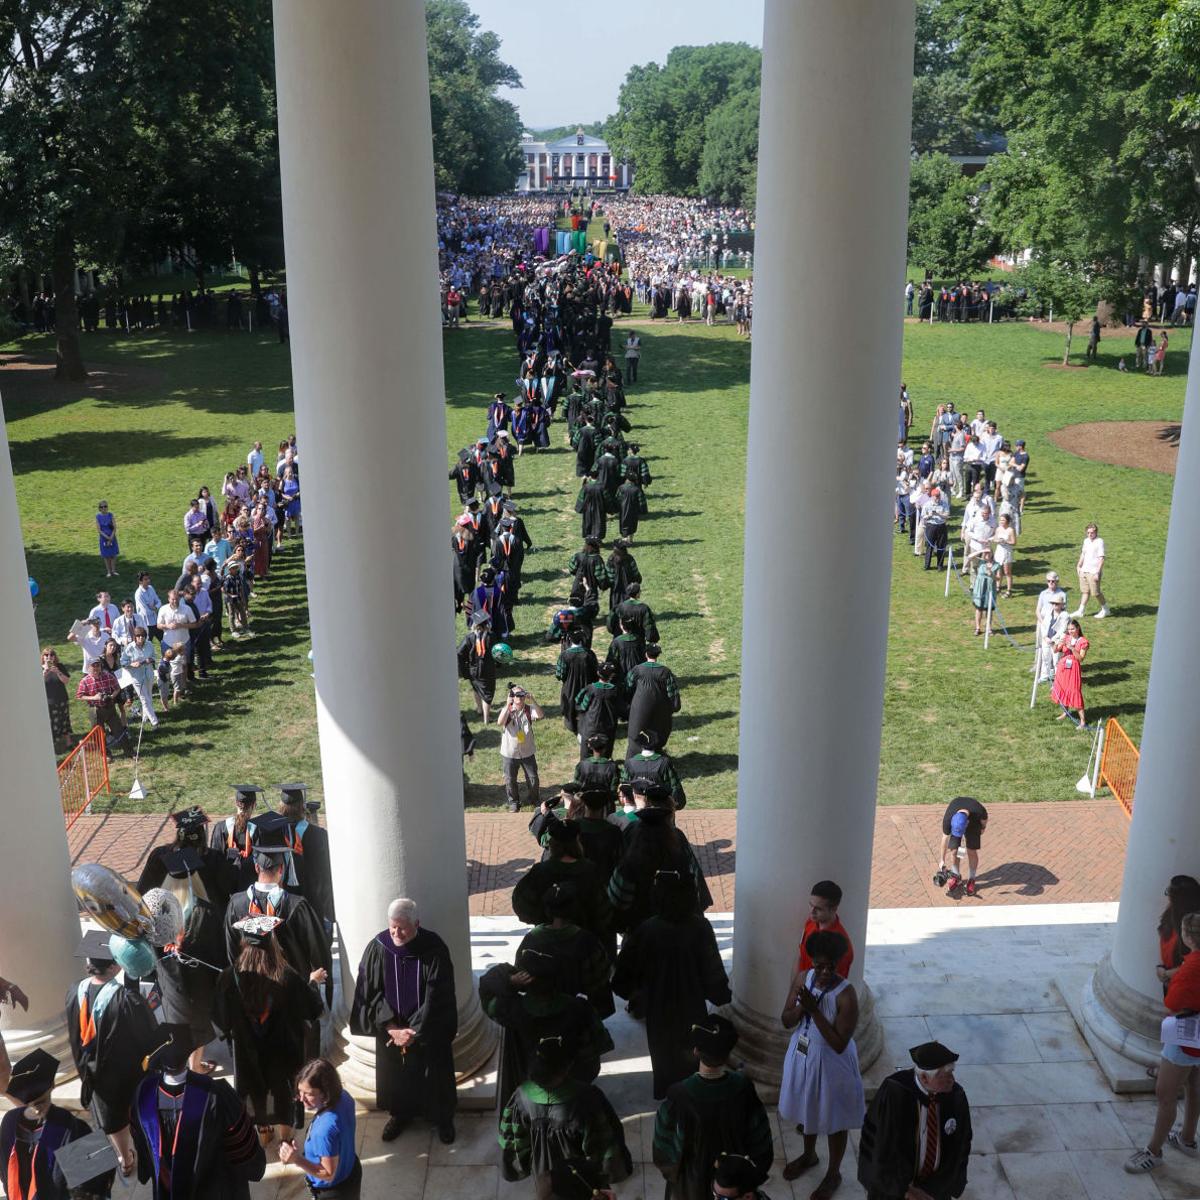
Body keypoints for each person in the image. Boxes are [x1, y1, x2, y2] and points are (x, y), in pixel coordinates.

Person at [612, 870, 731, 1098]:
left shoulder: (647, 930)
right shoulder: (700, 928)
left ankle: (668, 1097)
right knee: (691, 1053)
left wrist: (636, 994)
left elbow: (623, 977)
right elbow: (713, 972)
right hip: (692, 1008)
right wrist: (720, 995)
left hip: (658, 1011)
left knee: (663, 1054)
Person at [348, 898, 458, 1145]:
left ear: (416, 924)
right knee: (396, 1077)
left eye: (402, 928)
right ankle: (400, 1115)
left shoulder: (433, 949)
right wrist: (391, 1027)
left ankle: (442, 1119)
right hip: (391, 1033)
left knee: (435, 1075)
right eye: (392, 927)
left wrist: (414, 1030)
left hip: (427, 1032)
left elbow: (438, 994)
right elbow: (369, 991)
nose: (396, 933)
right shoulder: (379, 948)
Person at [213, 915, 323, 1146]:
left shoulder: (227, 978)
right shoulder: (287, 976)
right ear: (272, 942)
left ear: (243, 943)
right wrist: (312, 983)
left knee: (256, 1090)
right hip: (283, 1053)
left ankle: (263, 1132)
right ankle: (286, 1140)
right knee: (283, 1094)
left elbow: (220, 1021)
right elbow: (311, 1010)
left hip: (247, 1053)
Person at [129, 1022, 266, 1199]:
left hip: (167, 1187)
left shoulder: (143, 1094)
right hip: (214, 1190)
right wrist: (253, 1167)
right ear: (188, 1054)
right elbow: (242, 1150)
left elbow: (141, 1140)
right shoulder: (217, 1094)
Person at [66, 930, 160, 1177]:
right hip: (122, 1075)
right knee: (126, 1115)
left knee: (110, 1118)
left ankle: (123, 1157)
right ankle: (132, 1156)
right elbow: (149, 1040)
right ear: (116, 966)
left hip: (90, 1071)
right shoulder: (125, 1000)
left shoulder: (75, 991)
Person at [779, 930, 864, 1196]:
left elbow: (839, 1044)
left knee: (833, 1118)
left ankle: (833, 1173)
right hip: (802, 1055)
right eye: (819, 965)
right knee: (808, 1109)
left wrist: (814, 1010)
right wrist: (802, 1008)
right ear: (811, 961)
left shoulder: (846, 995)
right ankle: (809, 1155)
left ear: (839, 962)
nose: (825, 971)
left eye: (831, 966)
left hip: (830, 1063)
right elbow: (786, 1020)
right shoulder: (803, 979)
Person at [651, 1015, 773, 1200]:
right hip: (734, 1181)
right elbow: (760, 1142)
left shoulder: (679, 1095)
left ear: (696, 1052)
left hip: (691, 1183)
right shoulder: (744, 1088)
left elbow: (664, 1149)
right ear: (728, 1054)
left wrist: (674, 1172)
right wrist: (750, 1177)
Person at [498, 1035, 631, 1196]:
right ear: (567, 1067)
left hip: (543, 1175)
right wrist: (607, 1171)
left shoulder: (521, 1097)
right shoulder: (587, 1098)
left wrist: (519, 1166)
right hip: (580, 1175)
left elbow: (515, 1142)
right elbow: (602, 1146)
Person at [1125, 911, 1200, 1173]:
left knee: (1165, 1094)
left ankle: (1153, 1151)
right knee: (1194, 1083)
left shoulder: (1192, 967)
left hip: (1186, 1033)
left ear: (1188, 937)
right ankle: (1187, 1139)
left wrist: (1172, 976)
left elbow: (1172, 1002)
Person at [858, 1040, 972, 1200]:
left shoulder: (955, 1096)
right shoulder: (894, 1093)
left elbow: (961, 1144)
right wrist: (906, 1190)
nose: (951, 1080)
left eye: (951, 1073)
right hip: (895, 1190)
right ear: (925, 1078)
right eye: (945, 1075)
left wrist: (937, 1188)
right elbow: (880, 1147)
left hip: (935, 1190)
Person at [1, 1048, 113, 1200]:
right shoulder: (74, 1128)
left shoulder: (8, 1123)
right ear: (52, 1084)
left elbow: (4, 1174)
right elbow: (95, 1189)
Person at [280, 1058, 361, 1197]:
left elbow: (328, 1174)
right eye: (300, 1091)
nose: (301, 1098)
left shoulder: (323, 1131)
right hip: (351, 1173)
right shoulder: (344, 1097)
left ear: (326, 1093)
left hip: (333, 1192)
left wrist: (296, 1159)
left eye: (309, 1094)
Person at [276, 784, 336, 927]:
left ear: (281, 805)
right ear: (302, 805)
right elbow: (325, 874)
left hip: (281, 904)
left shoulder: (272, 832)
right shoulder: (318, 835)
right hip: (311, 903)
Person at [625, 643, 681, 753]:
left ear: (646, 654)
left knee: (636, 733)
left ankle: (635, 761)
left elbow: (628, 685)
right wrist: (675, 706)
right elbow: (672, 692)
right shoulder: (665, 672)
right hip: (660, 708)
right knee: (658, 732)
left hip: (639, 708)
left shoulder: (637, 669)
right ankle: (656, 757)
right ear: (658, 655)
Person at [498, 684, 543, 813]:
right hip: (510, 753)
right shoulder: (507, 710)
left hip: (527, 751)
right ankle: (514, 802)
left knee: (533, 778)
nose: (520, 698)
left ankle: (534, 799)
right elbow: (500, 722)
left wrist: (533, 700)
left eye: (522, 695)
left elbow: (540, 715)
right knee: (510, 779)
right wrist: (508, 705)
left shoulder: (529, 709)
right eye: (517, 695)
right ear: (512, 697)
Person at [795, 880, 854, 979]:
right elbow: (800, 956)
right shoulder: (811, 922)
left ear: (834, 909)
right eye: (811, 905)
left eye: (818, 908)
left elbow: (831, 986)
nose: (812, 911)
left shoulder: (841, 946)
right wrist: (795, 988)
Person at [211, 784, 264, 891]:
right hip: (251, 888)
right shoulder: (260, 830)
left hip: (225, 887)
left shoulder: (221, 828)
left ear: (236, 803)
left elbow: (215, 859)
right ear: (254, 805)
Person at [75, 657, 130, 756]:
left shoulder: (107, 675)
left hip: (109, 707)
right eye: (93, 666)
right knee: (99, 734)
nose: (96, 668)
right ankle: (106, 755)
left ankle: (129, 752)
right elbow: (79, 696)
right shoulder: (85, 681)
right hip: (95, 710)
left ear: (101, 666)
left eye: (98, 665)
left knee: (119, 730)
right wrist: (94, 698)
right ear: (89, 668)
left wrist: (111, 697)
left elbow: (117, 688)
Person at [935, 797, 989, 897]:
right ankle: (956, 876)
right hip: (959, 822)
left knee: (971, 851)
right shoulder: (948, 818)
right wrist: (942, 860)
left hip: (974, 824)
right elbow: (945, 839)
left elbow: (984, 819)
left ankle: (971, 879)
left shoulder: (978, 810)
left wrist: (983, 828)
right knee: (955, 850)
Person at [1157, 876, 1200, 994]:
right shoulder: (1172, 912)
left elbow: (1195, 963)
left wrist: (1166, 974)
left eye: (1170, 893)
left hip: (1184, 983)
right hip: (1170, 975)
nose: (1168, 897)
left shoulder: (1194, 925)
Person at [1050, 618, 1089, 728]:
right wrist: (1053, 643)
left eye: (1072, 629)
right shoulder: (1066, 637)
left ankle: (1082, 721)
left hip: (1073, 670)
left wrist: (1071, 648)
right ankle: (1065, 713)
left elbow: (1080, 658)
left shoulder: (1083, 642)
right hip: (1063, 669)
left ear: (1078, 628)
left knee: (1074, 692)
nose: (1070, 631)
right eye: (1069, 629)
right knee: (1063, 690)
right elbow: (1056, 650)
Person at [121, 626, 159, 727]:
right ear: (135, 637)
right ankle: (154, 721)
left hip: (148, 674)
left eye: (143, 636)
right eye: (138, 636)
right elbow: (123, 662)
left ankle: (145, 717)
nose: (141, 638)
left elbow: (154, 657)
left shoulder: (149, 644)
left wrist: (148, 660)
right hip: (136, 677)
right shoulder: (129, 647)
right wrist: (132, 664)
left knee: (149, 697)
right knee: (144, 698)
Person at [41, 647, 74, 752]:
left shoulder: (59, 666)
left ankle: (68, 742)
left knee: (65, 720)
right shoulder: (39, 668)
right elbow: (36, 684)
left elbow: (67, 681)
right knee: (53, 722)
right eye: (46, 655)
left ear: (54, 657)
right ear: (43, 656)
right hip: (49, 701)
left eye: (51, 655)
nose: (49, 657)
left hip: (62, 698)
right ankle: (55, 744)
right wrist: (45, 672)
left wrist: (58, 672)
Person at [1073, 523, 1109, 619]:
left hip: (1093, 572)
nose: (1090, 534)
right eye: (1088, 532)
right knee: (1085, 591)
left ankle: (1106, 610)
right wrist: (1078, 566)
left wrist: (1097, 573)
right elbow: (1083, 554)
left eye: (1092, 532)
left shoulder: (1099, 541)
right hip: (1084, 570)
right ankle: (1080, 611)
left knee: (1096, 593)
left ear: (1096, 532)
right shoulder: (1086, 541)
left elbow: (1102, 558)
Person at [969, 547, 997, 638]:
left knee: (989, 610)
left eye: (989, 553)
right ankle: (977, 628)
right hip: (979, 589)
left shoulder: (996, 565)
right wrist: (981, 551)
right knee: (979, 609)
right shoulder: (981, 562)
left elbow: (999, 578)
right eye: (986, 553)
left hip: (990, 590)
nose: (987, 555)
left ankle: (989, 628)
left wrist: (992, 575)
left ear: (992, 554)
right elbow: (970, 557)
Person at [990, 513, 1016, 598]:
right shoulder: (998, 529)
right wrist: (997, 540)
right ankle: (998, 587)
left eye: (1003, 520)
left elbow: (1014, 542)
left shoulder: (1010, 530)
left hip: (1007, 551)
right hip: (999, 551)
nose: (1001, 521)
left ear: (1007, 521)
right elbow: (995, 538)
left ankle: (1009, 590)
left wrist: (1006, 541)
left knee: (1007, 572)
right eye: (1000, 520)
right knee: (998, 570)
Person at [95, 500, 119, 576]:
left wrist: (111, 537)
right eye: (102, 507)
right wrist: (107, 538)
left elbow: (114, 527)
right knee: (106, 556)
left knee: (113, 555)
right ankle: (109, 572)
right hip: (104, 538)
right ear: (99, 508)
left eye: (105, 506)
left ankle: (113, 571)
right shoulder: (98, 516)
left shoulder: (111, 515)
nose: (104, 508)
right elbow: (99, 530)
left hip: (112, 536)